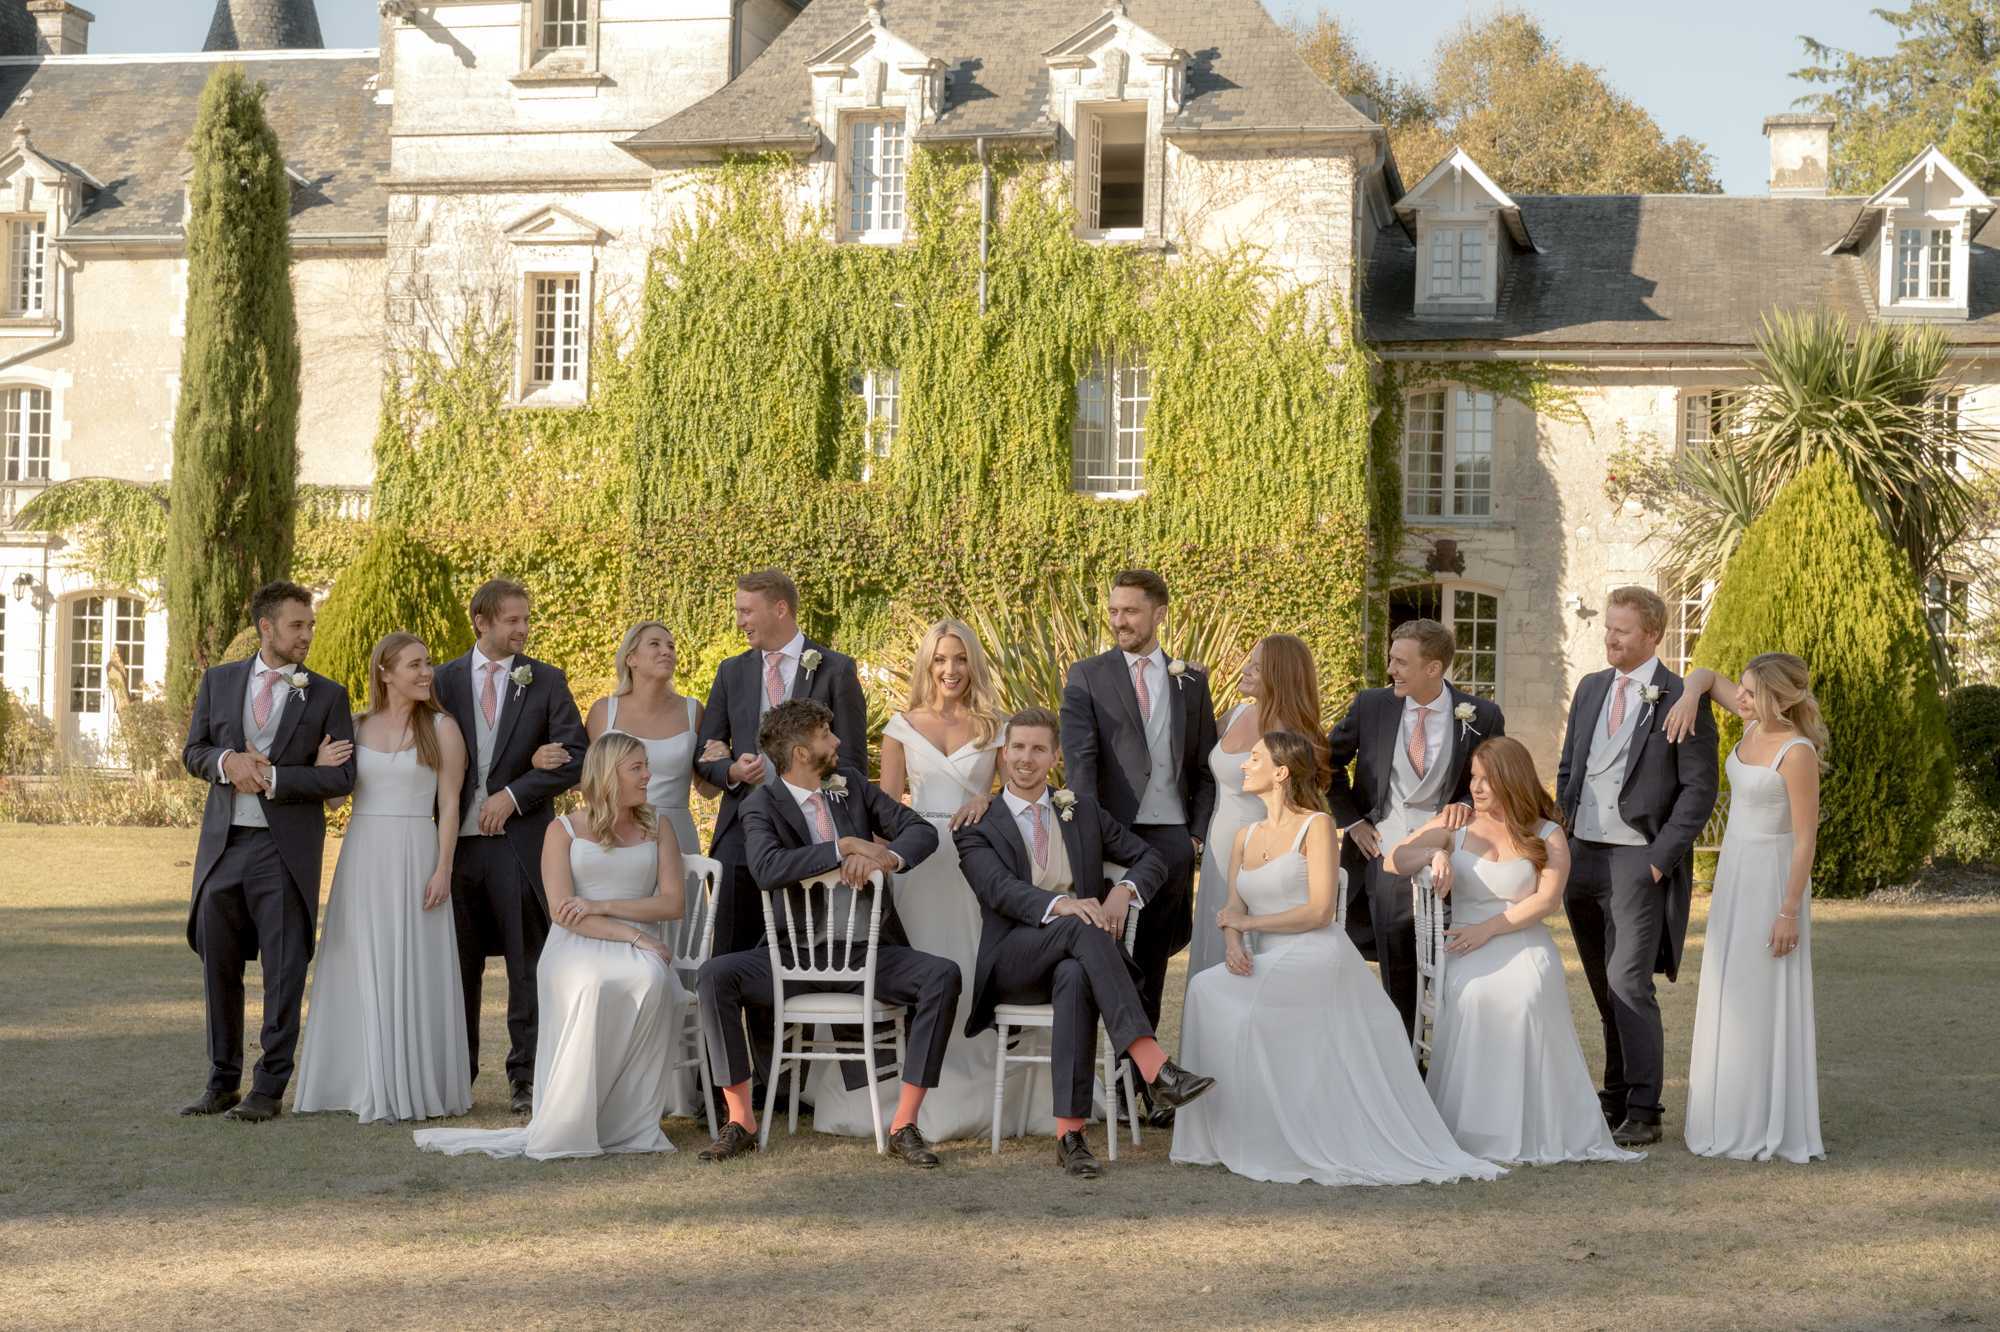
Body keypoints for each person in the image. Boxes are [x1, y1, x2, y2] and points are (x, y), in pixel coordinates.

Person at [1172, 731, 1500, 1186]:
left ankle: (1275, 1135)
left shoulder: (1318, 826)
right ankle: (1226, 1133)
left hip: (1315, 954)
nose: (1244, 766)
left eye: (1254, 758)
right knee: (1206, 989)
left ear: (1282, 771)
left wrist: (1248, 928)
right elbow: (1233, 909)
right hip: (1266, 957)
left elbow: (1319, 911)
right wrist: (1232, 945)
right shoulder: (1245, 835)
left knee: (1222, 997)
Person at [808, 620, 1059, 1141]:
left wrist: (986, 799)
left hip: (975, 862)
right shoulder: (900, 726)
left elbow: (1014, 793)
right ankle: (905, 1083)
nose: (951, 670)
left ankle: (978, 1078)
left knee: (970, 959)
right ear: (928, 664)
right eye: (942, 659)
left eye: (961, 659)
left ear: (973, 664)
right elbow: (885, 811)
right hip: (916, 864)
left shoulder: (995, 727)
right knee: (916, 963)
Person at [695, 699, 961, 1168]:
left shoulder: (852, 787)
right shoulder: (761, 805)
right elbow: (766, 867)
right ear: (800, 751)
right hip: (791, 960)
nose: (837, 742)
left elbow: (919, 831)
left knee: (942, 976)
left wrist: (884, 858)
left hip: (867, 952)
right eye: (825, 734)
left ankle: (904, 1124)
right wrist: (840, 848)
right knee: (717, 976)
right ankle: (740, 1121)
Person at [957, 708, 1215, 1178]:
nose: (1026, 759)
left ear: (1055, 756)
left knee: (1076, 974)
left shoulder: (1081, 810)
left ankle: (1070, 1136)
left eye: (1038, 749)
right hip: (1014, 959)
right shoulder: (978, 823)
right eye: (1017, 748)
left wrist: (1123, 891)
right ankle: (1153, 1065)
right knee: (1081, 922)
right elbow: (998, 889)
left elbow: (1150, 858)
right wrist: (1066, 906)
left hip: (1077, 958)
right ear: (1003, 754)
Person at [415, 732, 688, 1160]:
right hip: (577, 942)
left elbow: (673, 903)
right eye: (637, 767)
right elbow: (563, 911)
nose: (648, 775)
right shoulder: (562, 829)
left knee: (652, 979)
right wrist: (632, 934)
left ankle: (628, 1120)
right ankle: (575, 1117)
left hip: (637, 941)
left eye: (646, 766)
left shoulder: (659, 826)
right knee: (593, 984)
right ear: (608, 774)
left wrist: (610, 909)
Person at [1388, 737, 1641, 1166]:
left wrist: (1490, 930)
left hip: (1519, 937)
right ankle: (1476, 1128)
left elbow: (1546, 901)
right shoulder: (1457, 824)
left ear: (1512, 779)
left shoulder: (1547, 832)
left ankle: (1534, 1125)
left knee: (1527, 989)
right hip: (1466, 944)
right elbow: (1393, 860)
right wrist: (1434, 851)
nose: (1477, 787)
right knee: (1474, 995)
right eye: (1473, 777)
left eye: (1487, 778)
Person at [178, 580, 357, 1122]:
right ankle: (221, 1082)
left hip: (284, 854)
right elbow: (194, 751)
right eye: (297, 625)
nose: (307, 634)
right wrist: (227, 763)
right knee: (218, 966)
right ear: (266, 627)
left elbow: (343, 776)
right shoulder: (219, 681)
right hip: (223, 847)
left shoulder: (327, 695)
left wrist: (277, 777)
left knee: (283, 972)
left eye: (310, 625)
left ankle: (268, 1089)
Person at [1555, 586, 1719, 1148]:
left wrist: (1657, 859)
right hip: (1583, 857)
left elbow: (1700, 790)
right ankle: (1615, 1096)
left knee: (1629, 982)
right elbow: (1569, 765)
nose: (1611, 638)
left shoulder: (1679, 696)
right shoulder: (1591, 687)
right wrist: (1565, 829)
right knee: (1603, 986)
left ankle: (1645, 1108)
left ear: (1652, 635)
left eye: (1622, 630)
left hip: (1636, 860)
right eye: (1608, 628)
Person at [1059, 569, 1217, 1123]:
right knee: (1113, 959)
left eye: (1130, 610)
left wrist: (1194, 833)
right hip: (1109, 839)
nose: (1119, 620)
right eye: (1115, 610)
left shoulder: (1190, 682)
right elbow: (1080, 771)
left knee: (1151, 962)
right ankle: (1126, 1081)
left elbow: (1204, 768)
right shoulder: (1086, 676)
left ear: (1158, 614)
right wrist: (1095, 840)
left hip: (1172, 839)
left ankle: (1139, 1094)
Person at [295, 632, 473, 1124]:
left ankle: (415, 1080)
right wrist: (317, 766)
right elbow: (334, 799)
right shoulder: (355, 726)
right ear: (385, 672)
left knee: (414, 959)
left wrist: (443, 868)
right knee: (361, 958)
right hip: (364, 854)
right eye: (414, 665)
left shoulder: (443, 728)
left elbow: (452, 804)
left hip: (418, 851)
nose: (425, 673)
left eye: (428, 664)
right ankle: (358, 1078)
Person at [434, 579, 588, 1113]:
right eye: (511, 620)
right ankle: (458, 1075)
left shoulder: (546, 680)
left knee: (527, 966)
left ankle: (526, 1078)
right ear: (481, 620)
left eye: (526, 620)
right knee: (459, 964)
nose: (522, 629)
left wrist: (514, 794)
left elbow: (575, 755)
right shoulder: (440, 681)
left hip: (521, 845)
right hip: (455, 849)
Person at [1667, 654, 1826, 1163]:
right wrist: (1691, 694)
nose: (1739, 696)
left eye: (1751, 691)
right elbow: (1706, 676)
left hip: (1772, 881)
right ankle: (1727, 1111)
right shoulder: (1749, 720)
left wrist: (1787, 911)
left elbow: (1805, 841)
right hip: (1736, 874)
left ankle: (1764, 1119)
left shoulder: (1796, 751)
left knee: (1763, 992)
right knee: (1731, 987)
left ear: (1778, 698)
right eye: (1744, 688)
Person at [1326, 618, 1505, 1038]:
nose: (1392, 669)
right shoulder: (1372, 706)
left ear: (1434, 668)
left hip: (1456, 857)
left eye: (1402, 662)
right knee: (1398, 965)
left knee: (1452, 958)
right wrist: (1352, 820)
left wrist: (1465, 803)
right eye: (1391, 659)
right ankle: (1403, 1057)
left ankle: (1452, 1052)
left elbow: (1495, 779)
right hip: (1384, 855)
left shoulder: (1482, 715)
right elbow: (1325, 763)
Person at [693, 570, 868, 958]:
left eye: (746, 611)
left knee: (806, 949)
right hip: (742, 832)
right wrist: (732, 771)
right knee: (734, 953)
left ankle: (801, 1019)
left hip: (811, 834)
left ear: (781, 609)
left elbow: (852, 761)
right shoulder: (731, 672)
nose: (739, 621)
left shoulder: (835, 669)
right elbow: (705, 755)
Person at [1185, 633, 1325, 982]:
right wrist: (1189, 687)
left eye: (1257, 667)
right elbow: (1188, 743)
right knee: (1213, 941)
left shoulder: (1293, 736)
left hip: (1262, 854)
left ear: (1279, 676)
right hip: (1219, 848)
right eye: (1250, 661)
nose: (1245, 670)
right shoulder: (1235, 715)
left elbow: (1301, 805)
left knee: (1250, 950)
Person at [586, 619, 722, 855]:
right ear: (631, 659)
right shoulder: (602, 712)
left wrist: (721, 757)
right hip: (615, 834)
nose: (666, 651)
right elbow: (585, 782)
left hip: (677, 835)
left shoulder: (693, 711)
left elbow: (707, 790)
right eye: (655, 644)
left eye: (671, 646)